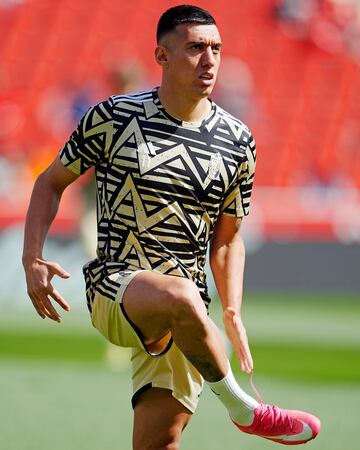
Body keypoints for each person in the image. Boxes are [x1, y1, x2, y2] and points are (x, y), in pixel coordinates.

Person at [22, 5, 320, 449]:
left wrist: (232, 308)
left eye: (216, 48)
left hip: (189, 311)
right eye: (196, 47)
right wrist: (32, 258)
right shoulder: (114, 117)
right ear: (162, 56)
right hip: (115, 287)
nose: (210, 59)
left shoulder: (238, 141)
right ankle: (246, 410)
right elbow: (50, 182)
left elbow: (229, 239)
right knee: (179, 295)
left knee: (159, 443)